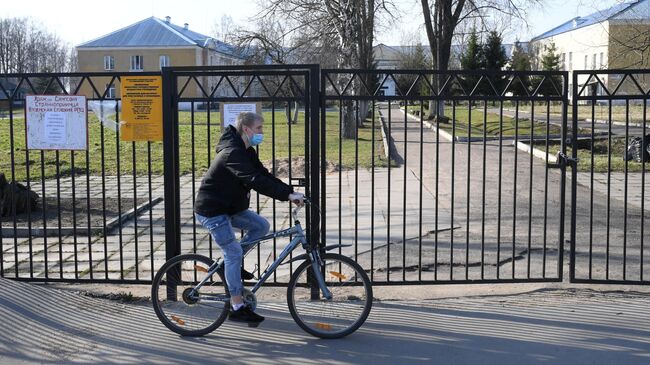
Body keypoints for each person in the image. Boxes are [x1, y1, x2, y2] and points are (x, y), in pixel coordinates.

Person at [194, 112, 304, 325]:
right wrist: (287, 195)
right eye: (259, 128)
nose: (262, 132)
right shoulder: (232, 152)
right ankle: (237, 306)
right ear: (246, 129)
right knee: (233, 251)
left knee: (261, 226)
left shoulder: (246, 150)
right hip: (213, 210)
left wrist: (289, 192)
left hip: (230, 207)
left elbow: (263, 174)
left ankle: (229, 267)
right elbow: (254, 180)